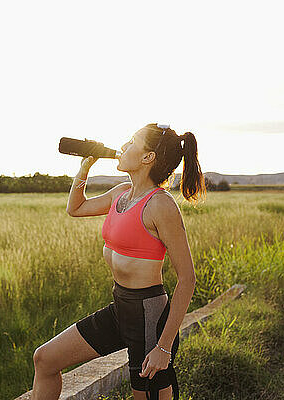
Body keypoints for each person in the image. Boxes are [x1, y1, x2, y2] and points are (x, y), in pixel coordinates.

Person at [31, 123, 205, 400]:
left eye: (132, 141)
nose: (123, 146)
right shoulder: (121, 193)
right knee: (45, 359)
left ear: (148, 157)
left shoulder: (160, 205)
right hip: (120, 308)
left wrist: (163, 346)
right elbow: (75, 208)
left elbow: (187, 279)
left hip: (149, 318)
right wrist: (85, 168)